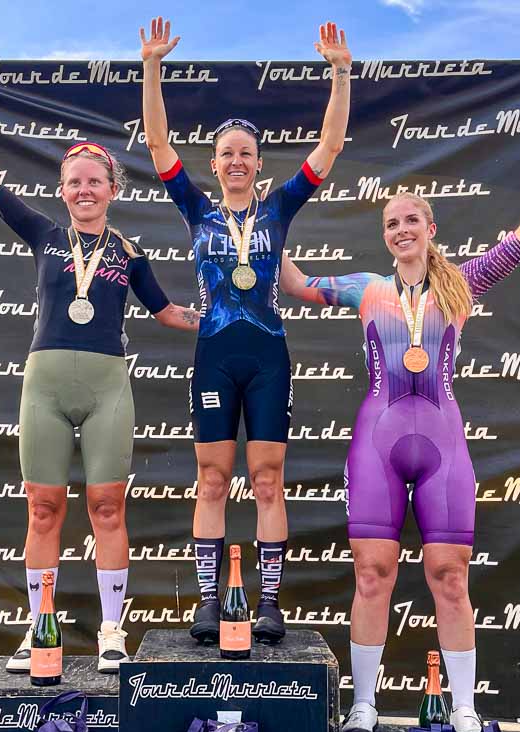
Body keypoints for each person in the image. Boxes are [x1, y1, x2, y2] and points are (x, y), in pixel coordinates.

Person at [281, 104, 520, 732]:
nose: (401, 230)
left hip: (443, 447)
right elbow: (293, 283)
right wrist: (267, 217)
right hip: (377, 444)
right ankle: (363, 705)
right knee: (372, 575)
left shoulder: (462, 284)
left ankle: (463, 707)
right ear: (385, 236)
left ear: (431, 228)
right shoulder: (366, 288)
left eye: (411, 220)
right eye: (391, 223)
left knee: (450, 578)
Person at [0, 71, 199, 674]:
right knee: (43, 507)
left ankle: (112, 631)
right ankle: (39, 626)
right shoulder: (44, 234)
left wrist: (226, 317)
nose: (84, 189)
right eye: (75, 182)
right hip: (43, 386)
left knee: (107, 507)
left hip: (107, 387)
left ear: (113, 189)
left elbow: (168, 312)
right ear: (63, 190)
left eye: (95, 181)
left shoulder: (130, 254)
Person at [139, 17, 351, 645]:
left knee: (267, 480)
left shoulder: (280, 207)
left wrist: (340, 73)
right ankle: (210, 602)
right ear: (214, 163)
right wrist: (151, 67)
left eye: (246, 154)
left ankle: (269, 605)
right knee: (210, 478)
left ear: (259, 164)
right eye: (227, 153)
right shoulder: (196, 209)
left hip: (267, 358)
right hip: (214, 355)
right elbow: (156, 143)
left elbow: (330, 146)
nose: (236, 161)